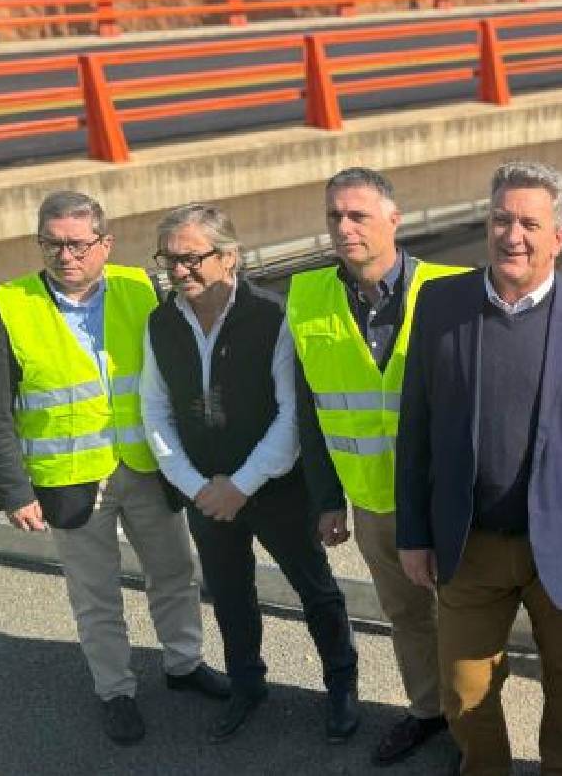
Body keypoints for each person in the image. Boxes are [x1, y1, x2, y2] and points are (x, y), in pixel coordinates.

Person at [395, 160, 562, 776]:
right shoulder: (440, 303)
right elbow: (416, 427)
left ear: (558, 237)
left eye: (530, 223)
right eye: (502, 219)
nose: (513, 235)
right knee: (464, 691)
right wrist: (414, 534)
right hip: (469, 542)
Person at [0, 190, 227, 745]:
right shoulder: (8, 305)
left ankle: (184, 664)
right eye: (52, 244)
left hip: (145, 465)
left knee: (175, 574)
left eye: (78, 244)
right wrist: (14, 491)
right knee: (96, 595)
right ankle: (115, 691)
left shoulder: (142, 287)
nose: (65, 256)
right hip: (69, 479)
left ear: (105, 245)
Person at [140, 203, 360, 744]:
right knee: (229, 592)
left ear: (230, 257)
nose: (179, 271)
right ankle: (247, 684)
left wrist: (241, 485)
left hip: (275, 485)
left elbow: (292, 415)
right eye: (169, 260)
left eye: (191, 258)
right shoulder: (161, 321)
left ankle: (341, 684)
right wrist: (198, 488)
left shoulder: (272, 315)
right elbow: (155, 409)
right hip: (206, 491)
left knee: (316, 590)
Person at [290, 167, 468, 766]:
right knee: (406, 616)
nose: (344, 228)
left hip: (449, 499)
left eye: (358, 215)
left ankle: (476, 730)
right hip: (373, 500)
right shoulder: (308, 296)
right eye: (334, 217)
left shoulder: (453, 289)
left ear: (395, 220)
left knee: (467, 616)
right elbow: (310, 409)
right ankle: (427, 712)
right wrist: (326, 499)